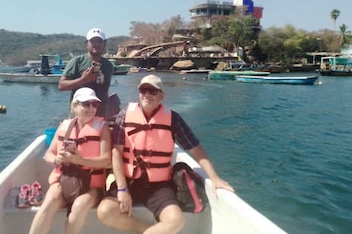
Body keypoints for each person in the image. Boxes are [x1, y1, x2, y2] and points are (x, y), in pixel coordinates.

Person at [97, 74, 234, 234]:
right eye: (143, 90)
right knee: (105, 211)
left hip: (159, 186)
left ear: (161, 96)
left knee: (176, 221)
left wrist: (214, 177)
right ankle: (147, 230)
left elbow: (195, 149)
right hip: (128, 182)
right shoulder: (124, 115)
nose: (147, 94)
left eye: (152, 91)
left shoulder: (173, 119)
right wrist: (122, 189)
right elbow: (116, 153)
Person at [29, 87, 111, 234]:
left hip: (91, 184)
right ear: (74, 106)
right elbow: (49, 154)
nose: (91, 108)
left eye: (94, 104)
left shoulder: (102, 128)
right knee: (48, 204)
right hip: (65, 179)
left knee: (79, 206)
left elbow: (106, 160)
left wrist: (80, 160)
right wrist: (57, 159)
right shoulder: (64, 126)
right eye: (86, 104)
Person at [59, 28, 114, 119]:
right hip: (79, 116)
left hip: (100, 116)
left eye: (100, 41)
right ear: (86, 44)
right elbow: (61, 86)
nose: (96, 44)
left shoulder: (109, 65)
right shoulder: (76, 62)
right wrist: (83, 80)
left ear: (104, 44)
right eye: (93, 41)